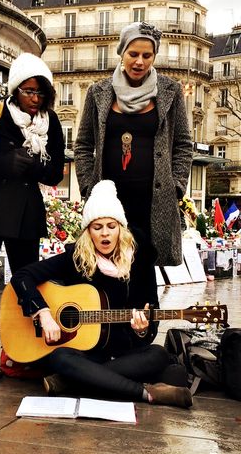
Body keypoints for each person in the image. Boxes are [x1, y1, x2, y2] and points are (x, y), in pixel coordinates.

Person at [10, 180, 193, 408]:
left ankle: (70, 382)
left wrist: (142, 329)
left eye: (111, 226)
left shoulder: (140, 262)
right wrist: (44, 313)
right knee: (60, 357)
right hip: (85, 354)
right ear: (88, 231)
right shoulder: (76, 258)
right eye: (97, 227)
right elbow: (21, 277)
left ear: (121, 228)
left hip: (122, 354)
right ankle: (146, 393)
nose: (105, 234)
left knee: (157, 355)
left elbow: (149, 323)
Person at [74, 21, 193, 305]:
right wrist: (88, 188)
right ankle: (108, 326)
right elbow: (83, 145)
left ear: (154, 57)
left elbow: (183, 144)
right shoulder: (98, 92)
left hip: (153, 199)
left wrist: (176, 187)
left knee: (144, 266)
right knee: (105, 263)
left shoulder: (170, 91)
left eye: (147, 55)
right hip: (109, 200)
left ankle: (143, 331)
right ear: (122, 52)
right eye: (133, 54)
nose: (139, 61)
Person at [0, 53, 65, 378]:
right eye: (28, 91)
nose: (35, 99)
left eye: (41, 93)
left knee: (27, 281)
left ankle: (23, 352)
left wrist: (33, 164)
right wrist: (0, 164)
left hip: (25, 212)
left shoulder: (53, 123)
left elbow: (55, 173)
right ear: (16, 88)